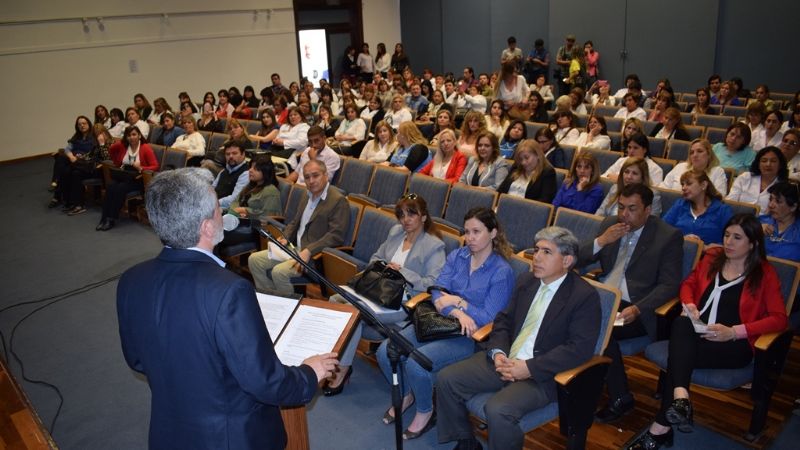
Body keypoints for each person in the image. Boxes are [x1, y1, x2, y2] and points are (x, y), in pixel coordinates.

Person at [116, 168, 338, 450]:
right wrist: (308, 373)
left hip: (170, 431)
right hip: (230, 438)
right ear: (207, 227)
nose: (222, 213)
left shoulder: (131, 280)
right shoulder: (229, 290)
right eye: (217, 208)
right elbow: (263, 381)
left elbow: (136, 359)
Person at [627, 214, 787, 450]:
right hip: (697, 333)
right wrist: (690, 304)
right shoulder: (713, 257)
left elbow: (779, 319)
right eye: (726, 235)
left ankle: (667, 419)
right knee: (681, 324)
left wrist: (734, 332)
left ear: (753, 243)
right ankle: (675, 407)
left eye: (737, 237)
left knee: (678, 358)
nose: (729, 242)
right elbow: (688, 284)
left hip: (733, 345)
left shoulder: (764, 273)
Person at [437, 226, 601, 450]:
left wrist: (529, 367)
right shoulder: (527, 281)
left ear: (567, 260)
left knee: (498, 409)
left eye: (547, 252)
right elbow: (503, 320)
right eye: (537, 250)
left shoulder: (584, 296)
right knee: (447, 379)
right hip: (505, 359)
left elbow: (579, 349)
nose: (537, 258)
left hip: (541, 374)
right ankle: (466, 442)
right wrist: (498, 353)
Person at [377, 207, 516, 440]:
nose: (469, 238)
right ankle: (407, 394)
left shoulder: (502, 271)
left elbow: (489, 317)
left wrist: (456, 301)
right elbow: (437, 292)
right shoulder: (457, 256)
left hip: (468, 336)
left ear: (493, 233)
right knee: (385, 351)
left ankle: (426, 410)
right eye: (467, 231)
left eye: (476, 232)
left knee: (416, 363)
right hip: (437, 321)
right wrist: (457, 309)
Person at [579, 184, 683, 424]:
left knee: (598, 329)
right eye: (621, 207)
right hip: (605, 296)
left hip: (635, 307)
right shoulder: (610, 225)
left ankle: (620, 396)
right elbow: (579, 257)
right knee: (570, 315)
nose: (624, 214)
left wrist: (638, 308)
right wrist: (602, 241)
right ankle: (583, 380)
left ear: (648, 210)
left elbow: (669, 285)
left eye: (632, 209)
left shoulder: (668, 236)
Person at [325, 195, 447, 396]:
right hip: (378, 292)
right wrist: (384, 266)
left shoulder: (434, 246)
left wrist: (402, 272)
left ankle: (342, 370)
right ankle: (336, 360)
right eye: (401, 215)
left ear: (423, 217)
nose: (405, 219)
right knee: (334, 301)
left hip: (404, 303)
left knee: (353, 312)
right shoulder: (396, 233)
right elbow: (375, 258)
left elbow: (432, 284)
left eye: (411, 214)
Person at [248, 159, 349, 295]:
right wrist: (285, 237)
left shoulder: (337, 200)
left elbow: (336, 236)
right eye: (307, 177)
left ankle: (287, 309)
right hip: (294, 248)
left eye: (315, 175)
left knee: (279, 272)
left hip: (314, 257)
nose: (311, 181)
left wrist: (309, 250)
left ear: (325, 175)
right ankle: (272, 300)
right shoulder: (307, 195)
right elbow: (295, 222)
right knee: (254, 260)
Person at [97, 125, 159, 231]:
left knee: (120, 188)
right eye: (129, 135)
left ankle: (111, 219)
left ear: (139, 135)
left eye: (134, 134)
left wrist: (141, 167)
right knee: (111, 186)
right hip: (124, 174)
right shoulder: (123, 146)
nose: (131, 137)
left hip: (138, 178)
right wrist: (117, 160)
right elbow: (112, 149)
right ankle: (104, 218)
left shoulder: (145, 147)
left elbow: (155, 166)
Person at [217, 156, 282, 253]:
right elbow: (236, 201)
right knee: (212, 226)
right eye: (251, 167)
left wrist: (246, 211)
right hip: (239, 222)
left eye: (255, 169)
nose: (250, 170)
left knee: (217, 232)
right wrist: (237, 211)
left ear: (265, 171)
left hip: (255, 230)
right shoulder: (251, 185)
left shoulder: (271, 191)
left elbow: (270, 217)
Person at [663, 171, 733, 244]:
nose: (683, 188)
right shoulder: (680, 204)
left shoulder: (722, 210)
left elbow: (730, 242)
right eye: (682, 184)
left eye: (689, 184)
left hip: (710, 253)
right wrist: (683, 239)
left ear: (703, 185)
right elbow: (663, 230)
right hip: (677, 249)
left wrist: (704, 247)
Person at [727, 146, 788, 212]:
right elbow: (730, 202)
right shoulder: (745, 178)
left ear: (780, 165)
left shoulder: (784, 187)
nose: (768, 164)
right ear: (758, 164)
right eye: (764, 161)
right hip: (737, 218)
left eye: (773, 161)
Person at [661, 138, 729, 195]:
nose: (695, 155)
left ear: (709, 154)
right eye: (692, 152)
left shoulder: (717, 172)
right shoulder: (680, 167)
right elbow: (662, 189)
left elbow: (720, 197)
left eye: (699, 151)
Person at [597, 157, 662, 217]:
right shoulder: (615, 189)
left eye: (634, 173)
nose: (629, 177)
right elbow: (599, 213)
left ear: (643, 177)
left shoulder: (653, 195)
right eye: (626, 172)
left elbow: (651, 222)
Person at [497, 139, 557, 203]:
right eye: (521, 159)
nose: (523, 163)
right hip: (504, 206)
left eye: (526, 158)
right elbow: (500, 192)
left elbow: (544, 203)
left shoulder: (547, 173)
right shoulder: (516, 167)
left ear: (538, 155)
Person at [759, 181, 800, 262]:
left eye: (778, 201)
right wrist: (755, 229)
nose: (771, 205)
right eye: (770, 199)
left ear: (793, 207)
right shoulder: (760, 221)